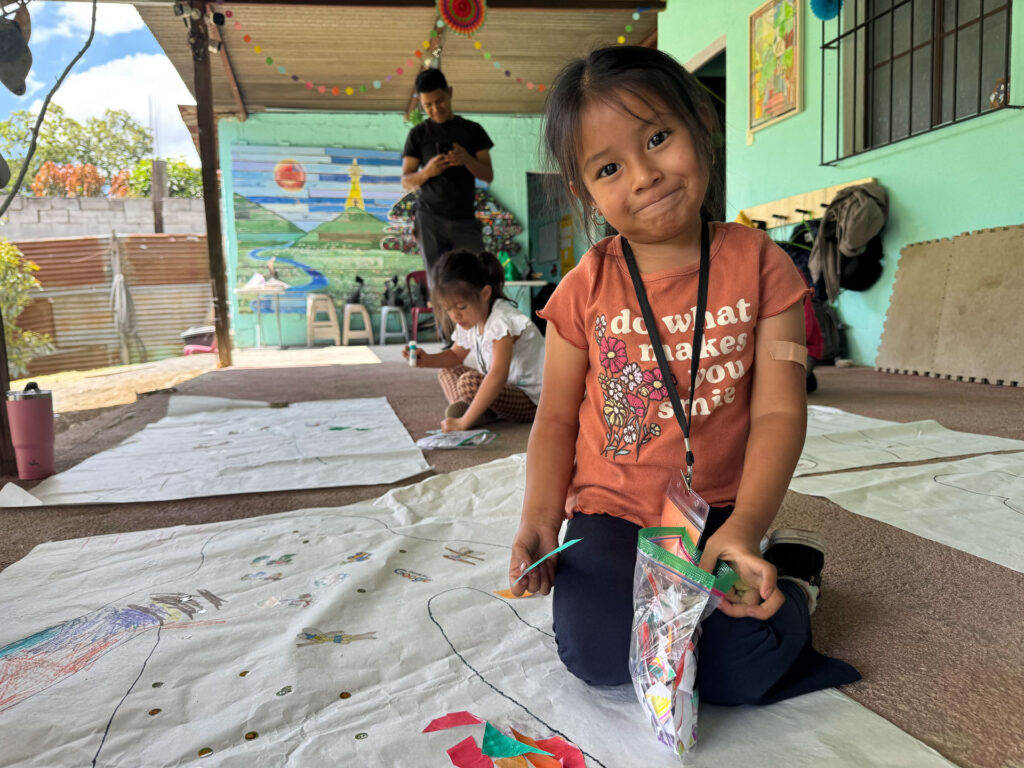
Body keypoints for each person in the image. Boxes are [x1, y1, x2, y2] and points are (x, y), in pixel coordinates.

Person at [508, 46, 859, 706]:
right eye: (609, 168)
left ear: (700, 125)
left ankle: (794, 578)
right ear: (585, 192)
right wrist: (539, 519)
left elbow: (780, 411)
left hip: (721, 507)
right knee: (599, 654)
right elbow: (553, 418)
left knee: (741, 667)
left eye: (657, 138)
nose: (644, 176)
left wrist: (744, 526)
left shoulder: (761, 265)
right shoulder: (584, 288)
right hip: (612, 510)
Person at [402, 249, 544, 432]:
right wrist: (426, 360)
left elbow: (497, 375)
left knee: (470, 382)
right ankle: (477, 411)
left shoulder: (501, 320)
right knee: (447, 370)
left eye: (461, 307)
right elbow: (455, 356)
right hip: (504, 391)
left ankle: (470, 414)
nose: (455, 316)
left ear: (485, 293)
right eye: (448, 309)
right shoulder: (471, 319)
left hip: (532, 400)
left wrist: (463, 423)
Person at [401, 68, 494, 284]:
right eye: (428, 105)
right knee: (438, 283)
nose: (435, 109)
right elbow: (406, 181)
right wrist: (428, 171)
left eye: (440, 101)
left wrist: (467, 160)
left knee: (475, 279)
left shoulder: (473, 130)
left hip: (465, 220)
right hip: (429, 220)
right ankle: (440, 310)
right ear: (421, 103)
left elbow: (488, 175)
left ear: (450, 92)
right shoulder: (417, 135)